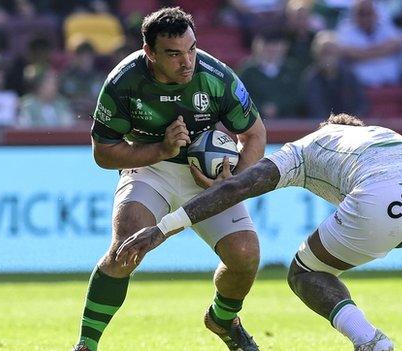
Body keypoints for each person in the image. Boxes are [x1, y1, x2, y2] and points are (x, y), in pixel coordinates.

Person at [116, 113, 402, 351]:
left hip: (379, 200)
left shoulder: (307, 148)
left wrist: (166, 226)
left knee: (304, 274)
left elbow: (237, 186)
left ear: (331, 129)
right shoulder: (382, 133)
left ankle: (371, 343)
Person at [72, 7, 266, 351]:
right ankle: (86, 345)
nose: (187, 61)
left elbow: (254, 135)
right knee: (125, 248)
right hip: (150, 167)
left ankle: (222, 319)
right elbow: (103, 153)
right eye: (174, 54)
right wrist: (159, 150)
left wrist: (232, 181)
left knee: (246, 254)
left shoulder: (216, 77)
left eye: (191, 49)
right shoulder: (123, 81)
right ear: (150, 53)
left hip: (207, 177)